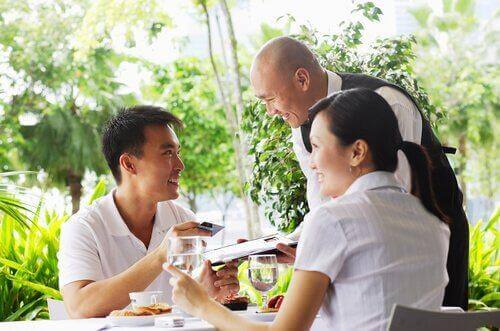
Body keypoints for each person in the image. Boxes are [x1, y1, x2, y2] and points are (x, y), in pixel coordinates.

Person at [166, 88, 451, 331]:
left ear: (357, 152)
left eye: (315, 146)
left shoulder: (333, 218)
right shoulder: (433, 222)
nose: (312, 162)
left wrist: (202, 305)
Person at [250, 36, 468, 309]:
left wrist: (323, 250)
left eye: (270, 98)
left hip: (431, 241)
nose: (270, 111)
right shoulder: (301, 122)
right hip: (374, 252)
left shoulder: (386, 102)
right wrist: (293, 246)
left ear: (302, 79)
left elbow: (396, 201)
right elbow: (322, 202)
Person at [58, 106, 239, 318]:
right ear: (129, 164)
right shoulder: (83, 227)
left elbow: (182, 309)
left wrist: (207, 292)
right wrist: (161, 255)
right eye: (167, 153)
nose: (180, 165)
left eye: (177, 153)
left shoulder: (183, 219)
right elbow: (80, 307)